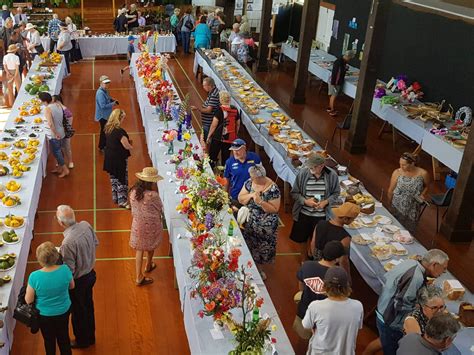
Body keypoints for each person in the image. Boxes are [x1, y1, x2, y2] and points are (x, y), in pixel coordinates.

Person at [376, 249, 449, 355]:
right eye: (444, 269)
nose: (444, 272)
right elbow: (400, 305)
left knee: (386, 343)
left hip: (383, 309)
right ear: (434, 264)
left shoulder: (411, 262)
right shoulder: (416, 277)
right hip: (391, 320)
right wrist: (422, 308)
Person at [57, 205, 98, 349]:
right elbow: (96, 243)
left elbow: (69, 271)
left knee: (78, 313)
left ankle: (82, 341)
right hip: (91, 274)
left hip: (78, 281)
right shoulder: (86, 225)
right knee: (88, 306)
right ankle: (91, 337)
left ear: (61, 223)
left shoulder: (67, 243)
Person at [25, 242, 74, 355]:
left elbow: (29, 300)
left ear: (40, 259)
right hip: (63, 311)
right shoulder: (65, 269)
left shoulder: (34, 276)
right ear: (56, 256)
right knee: (64, 338)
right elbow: (72, 286)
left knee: (49, 340)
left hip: (44, 315)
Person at [289, 152, 340, 260]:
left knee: (317, 239)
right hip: (303, 213)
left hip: (321, 216)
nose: (310, 168)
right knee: (302, 239)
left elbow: (336, 193)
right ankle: (304, 259)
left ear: (321, 166)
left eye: (313, 167)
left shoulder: (332, 175)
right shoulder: (303, 173)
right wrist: (305, 201)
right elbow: (295, 193)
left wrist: (325, 202)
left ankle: (312, 254)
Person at [302, 266, 364, 355]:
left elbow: (306, 326)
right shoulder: (358, 306)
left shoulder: (315, 306)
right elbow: (358, 327)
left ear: (325, 285)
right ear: (347, 285)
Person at [294, 241, 346, 340]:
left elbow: (300, 284)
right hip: (325, 318)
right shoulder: (338, 276)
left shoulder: (307, 265)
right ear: (337, 259)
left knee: (305, 338)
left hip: (305, 311)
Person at [238, 164, 280, 280]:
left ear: (261, 177)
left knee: (261, 249)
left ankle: (259, 270)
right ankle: (247, 268)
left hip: (266, 226)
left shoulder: (273, 189)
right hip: (249, 223)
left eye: (254, 178)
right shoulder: (249, 183)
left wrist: (260, 201)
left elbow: (275, 209)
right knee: (248, 245)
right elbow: (240, 198)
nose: (252, 179)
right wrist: (251, 195)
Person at [129, 167, 164, 286]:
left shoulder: (133, 192)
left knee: (139, 249)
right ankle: (148, 265)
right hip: (151, 225)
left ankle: (139, 276)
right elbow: (160, 207)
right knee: (151, 244)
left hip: (138, 224)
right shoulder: (153, 195)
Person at [310, 202, 360, 276]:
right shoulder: (345, 237)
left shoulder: (320, 223)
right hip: (332, 268)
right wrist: (347, 277)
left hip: (317, 261)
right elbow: (343, 261)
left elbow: (313, 243)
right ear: (346, 219)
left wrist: (316, 260)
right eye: (353, 219)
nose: (353, 221)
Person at [388, 152, 430, 232]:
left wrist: (422, 194)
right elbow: (390, 190)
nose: (401, 166)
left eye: (404, 165)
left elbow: (427, 186)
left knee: (407, 232)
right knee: (393, 229)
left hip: (413, 207)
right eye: (400, 164)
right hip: (397, 205)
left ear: (412, 163)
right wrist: (390, 205)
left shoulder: (423, 174)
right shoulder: (397, 172)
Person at [103, 109, 133, 208]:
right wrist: (131, 146)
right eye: (123, 118)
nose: (124, 120)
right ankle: (122, 201)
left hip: (109, 157)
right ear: (119, 118)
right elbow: (126, 145)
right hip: (118, 158)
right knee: (121, 178)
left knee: (113, 178)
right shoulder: (120, 131)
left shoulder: (108, 128)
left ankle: (115, 197)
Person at [206, 90, 241, 167]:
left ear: (221, 99)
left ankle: (211, 170)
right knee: (226, 157)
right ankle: (223, 174)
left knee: (212, 156)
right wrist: (235, 134)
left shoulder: (219, 110)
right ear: (229, 99)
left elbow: (214, 125)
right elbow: (238, 124)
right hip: (230, 138)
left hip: (218, 137)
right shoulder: (235, 109)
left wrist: (209, 136)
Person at [39, 92, 70, 178]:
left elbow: (50, 124)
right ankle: (60, 168)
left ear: (44, 101)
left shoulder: (47, 109)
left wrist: (55, 134)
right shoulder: (57, 105)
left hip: (54, 135)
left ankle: (65, 169)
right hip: (61, 131)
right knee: (59, 150)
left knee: (57, 152)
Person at [224, 139, 261, 207]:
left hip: (252, 197)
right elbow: (226, 180)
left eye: (237, 150)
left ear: (244, 148)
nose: (235, 152)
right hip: (236, 198)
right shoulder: (229, 162)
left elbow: (262, 175)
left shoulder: (255, 158)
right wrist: (225, 196)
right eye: (233, 150)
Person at [190, 77, 219, 142]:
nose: (203, 87)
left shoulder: (213, 95)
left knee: (205, 139)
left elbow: (208, 110)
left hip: (208, 122)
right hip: (207, 122)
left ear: (209, 86)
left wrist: (198, 108)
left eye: (204, 85)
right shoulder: (212, 91)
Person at [327, 50, 355, 117]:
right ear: (347, 56)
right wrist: (334, 84)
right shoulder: (339, 63)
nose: (349, 60)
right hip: (335, 82)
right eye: (350, 58)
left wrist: (345, 69)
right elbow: (336, 74)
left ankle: (329, 108)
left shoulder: (342, 61)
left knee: (332, 95)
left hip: (334, 81)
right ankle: (332, 110)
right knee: (334, 95)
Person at [95, 75, 118, 151]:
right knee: (104, 131)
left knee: (105, 130)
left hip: (106, 115)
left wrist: (112, 99)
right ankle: (102, 146)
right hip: (103, 116)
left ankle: (104, 145)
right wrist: (113, 104)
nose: (107, 84)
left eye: (108, 83)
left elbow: (108, 97)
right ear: (101, 83)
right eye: (105, 83)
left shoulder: (105, 90)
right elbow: (103, 106)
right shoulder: (100, 93)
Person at [53, 95, 74, 169]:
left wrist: (66, 127)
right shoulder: (54, 109)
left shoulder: (65, 109)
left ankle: (70, 161)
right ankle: (60, 161)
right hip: (58, 131)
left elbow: (70, 118)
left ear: (58, 101)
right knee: (59, 148)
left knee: (67, 147)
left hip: (65, 132)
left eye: (53, 101)